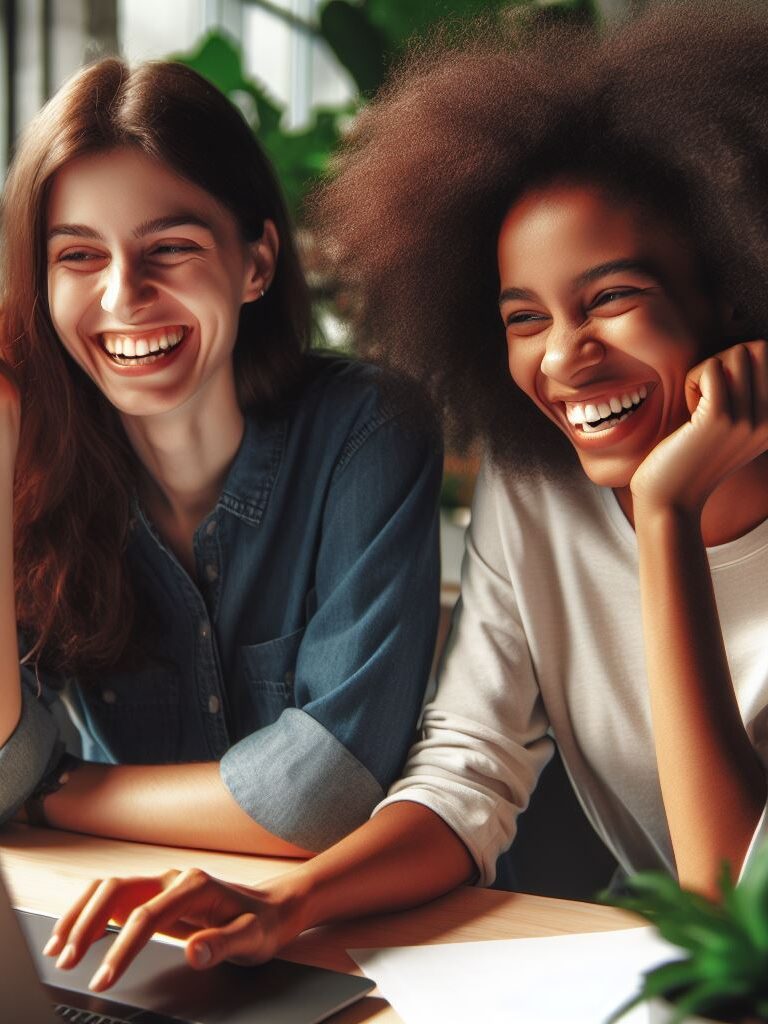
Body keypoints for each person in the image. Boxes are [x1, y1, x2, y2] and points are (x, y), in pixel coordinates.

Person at [41, 0, 768, 994]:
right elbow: (471, 770)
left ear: (730, 288)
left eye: (613, 299)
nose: (565, 358)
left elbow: (736, 920)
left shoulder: (624, 492)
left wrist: (670, 519)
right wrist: (282, 907)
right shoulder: (539, 476)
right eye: (524, 316)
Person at [0, 58, 442, 861]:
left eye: (168, 248)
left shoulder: (368, 430)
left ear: (256, 263)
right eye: (78, 256)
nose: (122, 296)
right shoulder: (36, 469)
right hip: (133, 923)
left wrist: (52, 791)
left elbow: (323, 794)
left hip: (381, 936)